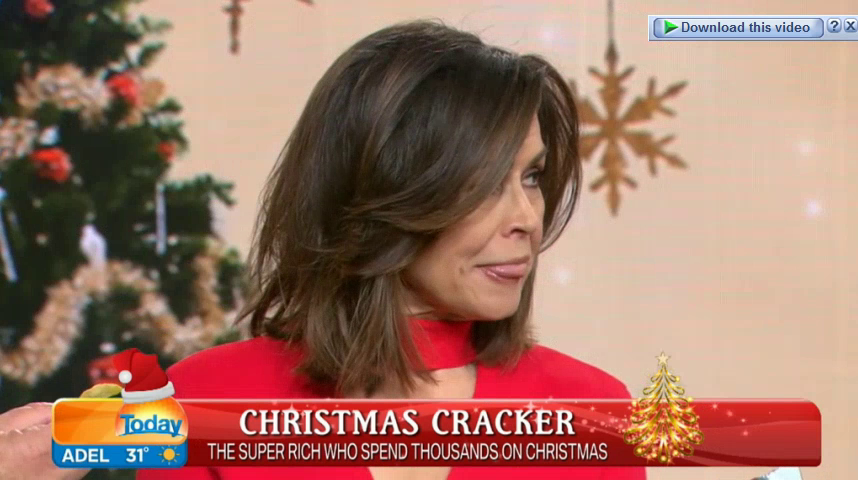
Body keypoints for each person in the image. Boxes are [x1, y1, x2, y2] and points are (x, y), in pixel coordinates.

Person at [2, 19, 646, 480]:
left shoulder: (593, 414)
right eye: (483, 183)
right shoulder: (203, 399)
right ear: (381, 188)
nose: (528, 219)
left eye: (532, 176)